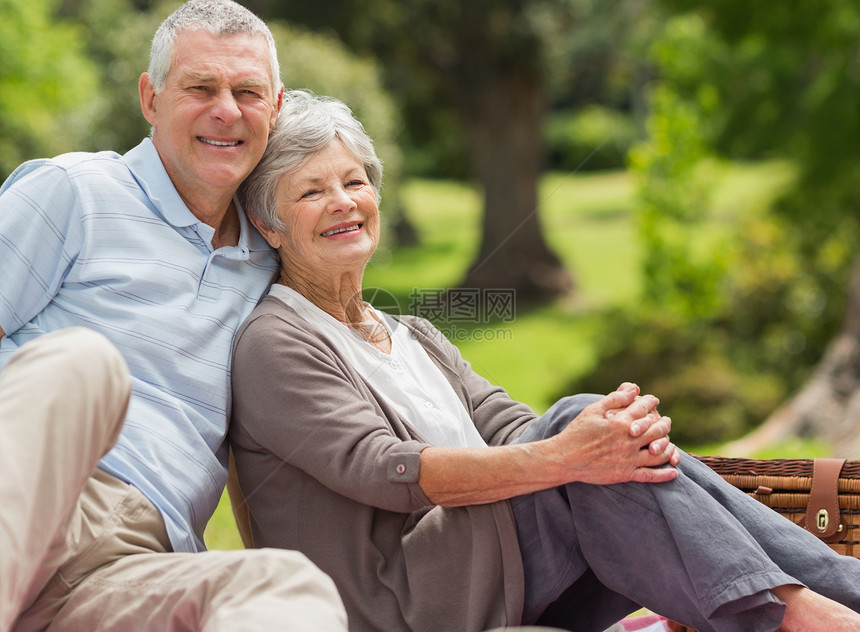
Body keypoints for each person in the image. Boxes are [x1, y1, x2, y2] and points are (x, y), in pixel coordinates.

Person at [229, 89, 860, 632]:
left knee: (602, 440)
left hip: (492, 568)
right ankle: (806, 616)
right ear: (269, 223)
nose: (343, 201)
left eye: (354, 181)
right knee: (582, 442)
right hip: (403, 601)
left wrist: (606, 435)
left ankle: (837, 600)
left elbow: (507, 424)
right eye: (312, 191)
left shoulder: (410, 333)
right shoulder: (276, 341)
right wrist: (571, 451)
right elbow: (387, 472)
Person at [0, 3, 348, 631]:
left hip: (130, 562)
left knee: (287, 586)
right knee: (83, 365)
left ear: (275, 106)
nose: (226, 110)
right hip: (27, 492)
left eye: (247, 92)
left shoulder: (270, 262)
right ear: (150, 98)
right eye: (200, 88)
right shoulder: (73, 191)